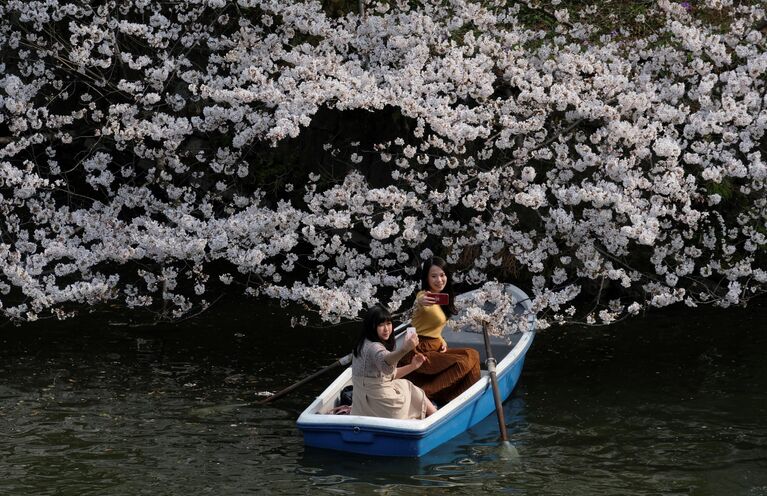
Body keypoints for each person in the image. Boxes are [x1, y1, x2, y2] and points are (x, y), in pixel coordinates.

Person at [399, 256, 481, 405]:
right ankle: (423, 394)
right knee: (463, 362)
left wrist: (441, 340)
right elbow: (416, 310)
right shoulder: (423, 296)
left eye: (442, 275)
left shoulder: (441, 298)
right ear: (427, 278)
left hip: (435, 347)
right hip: (420, 350)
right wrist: (418, 302)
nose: (439, 280)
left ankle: (458, 398)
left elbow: (431, 324)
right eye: (434, 276)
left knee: (473, 355)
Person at [351, 305, 437, 419]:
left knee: (403, 384)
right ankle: (435, 416)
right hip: (381, 406)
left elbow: (388, 375)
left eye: (388, 323)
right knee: (409, 387)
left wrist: (413, 366)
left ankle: (432, 413)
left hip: (361, 406)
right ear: (371, 327)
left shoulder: (362, 343)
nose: (386, 329)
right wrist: (405, 349)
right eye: (381, 325)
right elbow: (385, 359)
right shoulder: (374, 347)